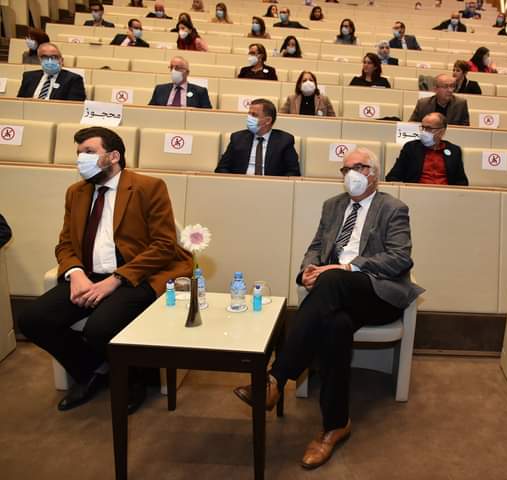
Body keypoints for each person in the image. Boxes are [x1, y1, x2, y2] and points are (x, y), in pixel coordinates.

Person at [232, 147, 423, 469]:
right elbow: (317, 247)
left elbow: (399, 258)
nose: (351, 174)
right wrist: (308, 270)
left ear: (374, 174)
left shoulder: (393, 208)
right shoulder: (332, 205)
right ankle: (335, 426)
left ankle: (276, 378)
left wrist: (347, 268)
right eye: (345, 169)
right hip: (334, 296)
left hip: (376, 293)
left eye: (359, 167)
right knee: (335, 326)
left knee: (332, 279)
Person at [18, 126, 194, 414]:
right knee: (32, 320)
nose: (80, 159)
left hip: (135, 276)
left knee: (100, 328)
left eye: (89, 152)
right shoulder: (76, 193)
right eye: (78, 153)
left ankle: (133, 381)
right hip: (88, 277)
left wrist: (116, 279)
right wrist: (75, 273)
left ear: (113, 156)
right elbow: (65, 244)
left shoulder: (148, 187)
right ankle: (92, 371)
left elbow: (164, 246)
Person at [215, 99, 300, 175]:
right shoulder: (237, 138)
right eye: (249, 114)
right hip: (240, 184)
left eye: (254, 115)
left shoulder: (284, 141)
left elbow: (293, 172)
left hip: (270, 185)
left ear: (268, 120)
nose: (249, 118)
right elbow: (221, 168)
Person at [387, 113, 469, 185]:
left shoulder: (454, 151)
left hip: (446, 195)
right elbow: (393, 177)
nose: (424, 132)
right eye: (423, 127)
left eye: (429, 128)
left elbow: (462, 182)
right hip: (416, 193)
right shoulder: (411, 148)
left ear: (442, 131)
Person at [17, 43, 86, 101]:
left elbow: (74, 107)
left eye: (54, 57)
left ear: (62, 60)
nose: (50, 61)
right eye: (44, 57)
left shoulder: (74, 79)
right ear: (39, 60)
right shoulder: (29, 76)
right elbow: (20, 101)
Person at [148, 56, 212, 108]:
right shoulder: (160, 90)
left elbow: (208, 115)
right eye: (171, 67)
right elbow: (149, 111)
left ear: (187, 72)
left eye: (177, 68)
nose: (173, 71)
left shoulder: (200, 92)